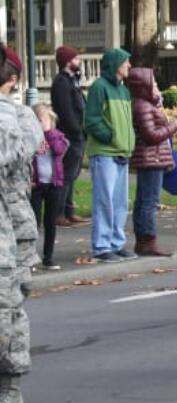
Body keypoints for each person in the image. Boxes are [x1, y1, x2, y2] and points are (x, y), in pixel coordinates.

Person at [0, 46, 40, 403]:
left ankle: (10, 388)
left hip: (13, 230)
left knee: (8, 311)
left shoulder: (18, 115)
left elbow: (23, 150)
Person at [84, 48, 135, 262]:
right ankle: (102, 245)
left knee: (120, 202)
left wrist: (126, 141)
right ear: (116, 65)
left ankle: (116, 242)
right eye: (126, 62)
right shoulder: (99, 87)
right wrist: (111, 137)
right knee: (105, 201)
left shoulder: (124, 90)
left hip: (121, 152)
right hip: (105, 153)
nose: (129, 66)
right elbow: (92, 119)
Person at [128, 68, 177, 257]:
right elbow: (151, 135)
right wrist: (172, 126)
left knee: (144, 200)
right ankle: (147, 240)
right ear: (144, 86)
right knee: (149, 201)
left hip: (152, 157)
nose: (157, 87)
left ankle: (144, 239)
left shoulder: (147, 105)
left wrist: (157, 101)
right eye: (153, 84)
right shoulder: (143, 106)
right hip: (151, 158)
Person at [50, 45, 88, 226]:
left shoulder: (73, 80)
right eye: (76, 58)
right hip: (70, 135)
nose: (79, 60)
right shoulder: (61, 82)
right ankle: (59, 213)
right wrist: (77, 131)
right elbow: (66, 110)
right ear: (67, 61)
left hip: (78, 133)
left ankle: (69, 210)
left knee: (73, 174)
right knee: (66, 174)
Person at [30, 104, 68, 270]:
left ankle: (48, 256)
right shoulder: (30, 138)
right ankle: (30, 257)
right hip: (36, 185)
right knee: (34, 221)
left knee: (50, 222)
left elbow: (60, 151)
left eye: (43, 120)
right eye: (37, 120)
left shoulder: (57, 136)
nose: (40, 123)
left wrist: (49, 133)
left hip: (54, 184)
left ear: (51, 120)